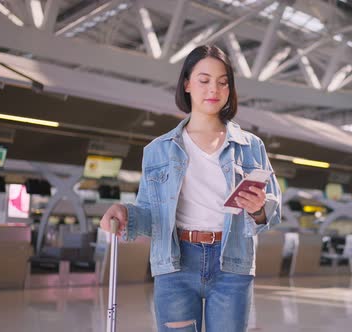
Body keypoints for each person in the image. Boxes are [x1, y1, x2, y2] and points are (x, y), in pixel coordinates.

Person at [100, 44, 282, 332]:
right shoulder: (158, 150)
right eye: (204, 80)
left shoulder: (251, 146)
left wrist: (259, 208)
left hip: (232, 262)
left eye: (223, 83)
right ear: (186, 83)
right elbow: (151, 215)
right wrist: (125, 213)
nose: (214, 90)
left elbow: (273, 210)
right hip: (176, 264)